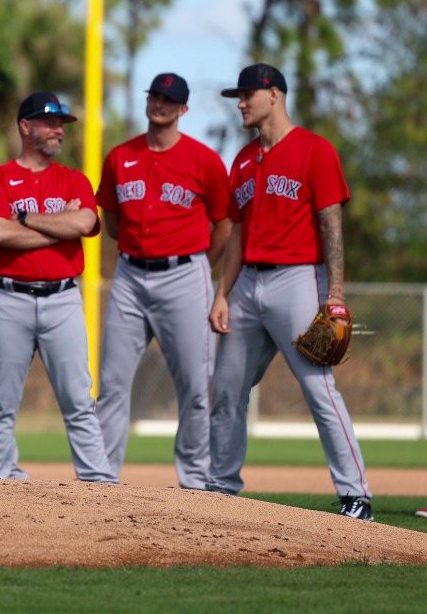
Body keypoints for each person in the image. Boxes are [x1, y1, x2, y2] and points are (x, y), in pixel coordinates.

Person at [208, 63, 372, 519]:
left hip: (298, 279)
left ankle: (356, 494)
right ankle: (220, 488)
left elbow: (331, 223)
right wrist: (222, 294)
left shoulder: (314, 151)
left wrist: (335, 293)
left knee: (319, 388)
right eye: (237, 95)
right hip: (247, 286)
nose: (240, 103)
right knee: (226, 388)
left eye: (247, 94)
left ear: (274, 95)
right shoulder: (242, 161)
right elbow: (236, 234)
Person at [94, 73, 231, 489]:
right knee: (113, 384)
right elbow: (112, 221)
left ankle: (194, 481)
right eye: (155, 95)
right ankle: (100, 479)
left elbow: (223, 225)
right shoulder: (121, 156)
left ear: (183, 109)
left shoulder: (204, 160)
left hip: (185, 275)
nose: (160, 104)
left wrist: (196, 266)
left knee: (194, 384)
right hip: (132, 275)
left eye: (170, 99)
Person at [0, 92, 116, 483]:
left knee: (77, 400)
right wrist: (58, 227)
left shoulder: (75, 179)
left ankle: (98, 482)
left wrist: (25, 217)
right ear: (25, 126)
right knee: (0, 403)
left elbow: (85, 224)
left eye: (61, 125)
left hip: (63, 300)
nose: (58, 130)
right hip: (7, 298)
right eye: (50, 122)